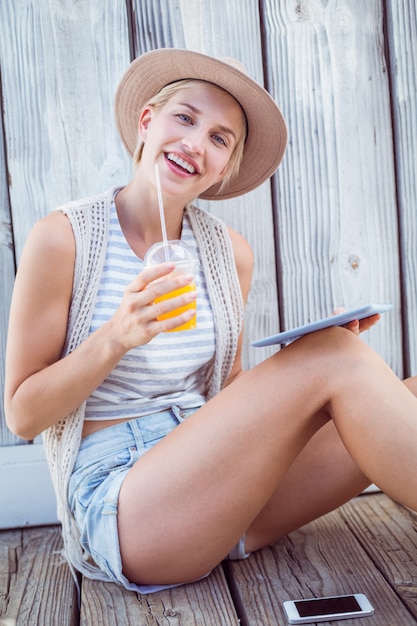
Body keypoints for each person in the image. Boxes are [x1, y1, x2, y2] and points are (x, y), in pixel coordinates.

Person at [4, 48, 417, 595]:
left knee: (401, 390)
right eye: (185, 118)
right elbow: (22, 416)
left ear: (226, 167)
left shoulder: (228, 254)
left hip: (214, 496)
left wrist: (318, 372)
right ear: (147, 122)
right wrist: (115, 337)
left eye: (220, 139)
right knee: (334, 363)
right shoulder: (65, 238)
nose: (196, 144)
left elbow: (229, 399)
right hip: (126, 509)